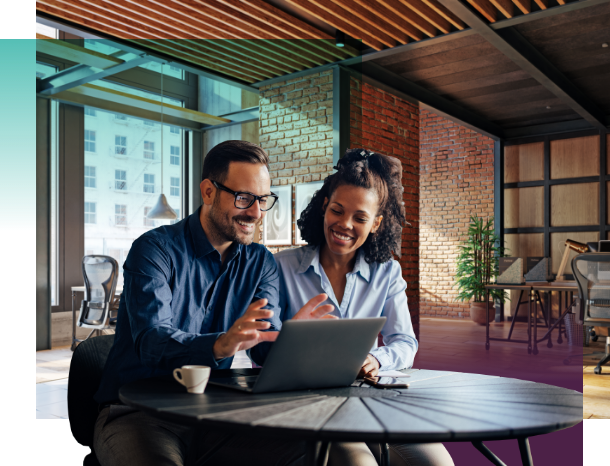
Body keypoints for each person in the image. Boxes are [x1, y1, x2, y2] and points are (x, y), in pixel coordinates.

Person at [92, 140, 336, 466]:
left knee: (319, 452)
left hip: (213, 411)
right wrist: (220, 345)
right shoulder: (155, 250)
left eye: (263, 200)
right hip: (135, 412)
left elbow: (262, 346)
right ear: (208, 192)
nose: (255, 212)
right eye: (244, 198)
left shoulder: (260, 262)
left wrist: (292, 340)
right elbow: (151, 342)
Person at [275, 148, 455, 466]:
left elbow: (404, 343)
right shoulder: (282, 267)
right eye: (337, 210)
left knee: (436, 462)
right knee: (357, 463)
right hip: (305, 401)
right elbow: (260, 346)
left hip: (368, 397)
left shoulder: (386, 272)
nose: (345, 224)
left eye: (360, 217)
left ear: (375, 224)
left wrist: (375, 358)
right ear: (323, 208)